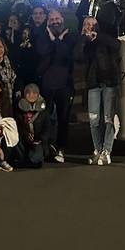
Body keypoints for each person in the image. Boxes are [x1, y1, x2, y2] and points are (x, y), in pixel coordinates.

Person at [75, 14, 121, 165]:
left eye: (91, 23)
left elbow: (116, 45)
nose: (89, 26)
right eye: (86, 24)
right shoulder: (84, 42)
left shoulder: (105, 36)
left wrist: (98, 36)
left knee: (109, 118)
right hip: (93, 83)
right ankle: (98, 149)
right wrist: (83, 39)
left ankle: (107, 151)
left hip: (109, 82)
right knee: (94, 120)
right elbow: (77, 56)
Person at [36, 9, 76, 163]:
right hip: (47, 83)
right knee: (45, 118)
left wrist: (55, 41)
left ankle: (61, 148)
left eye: (57, 18)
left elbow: (65, 55)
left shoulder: (70, 37)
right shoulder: (42, 37)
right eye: (52, 19)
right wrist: (54, 39)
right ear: (48, 22)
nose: (55, 21)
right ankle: (46, 146)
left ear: (62, 19)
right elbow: (42, 52)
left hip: (64, 84)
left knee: (63, 118)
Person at [15, 82, 50, 168]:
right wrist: (25, 134)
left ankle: (30, 160)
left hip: (37, 141)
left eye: (34, 93)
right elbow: (17, 126)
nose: (31, 95)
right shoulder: (19, 110)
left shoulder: (43, 112)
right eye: (28, 93)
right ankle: (23, 159)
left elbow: (47, 128)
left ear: (38, 95)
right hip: (24, 140)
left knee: (35, 159)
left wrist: (39, 139)